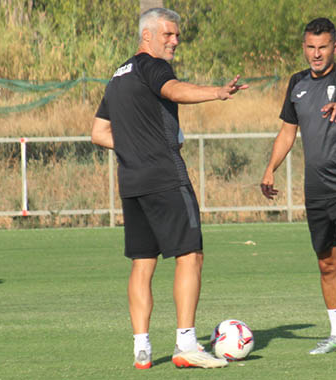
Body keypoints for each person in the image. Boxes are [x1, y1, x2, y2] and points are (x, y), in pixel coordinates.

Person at [90, 7, 247, 369]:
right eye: (168, 34)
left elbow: (98, 133)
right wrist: (218, 92)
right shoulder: (153, 66)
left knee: (143, 264)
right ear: (147, 35)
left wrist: (133, 147)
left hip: (131, 181)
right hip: (165, 176)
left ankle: (141, 349)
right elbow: (173, 90)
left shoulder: (117, 77)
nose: (175, 41)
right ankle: (186, 345)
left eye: (176, 35)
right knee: (190, 255)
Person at [260, 17, 336, 358]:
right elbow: (287, 132)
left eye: (323, 46)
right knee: (327, 263)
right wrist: (270, 170)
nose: (316, 53)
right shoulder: (296, 84)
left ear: (334, 47)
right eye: (310, 47)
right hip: (317, 190)